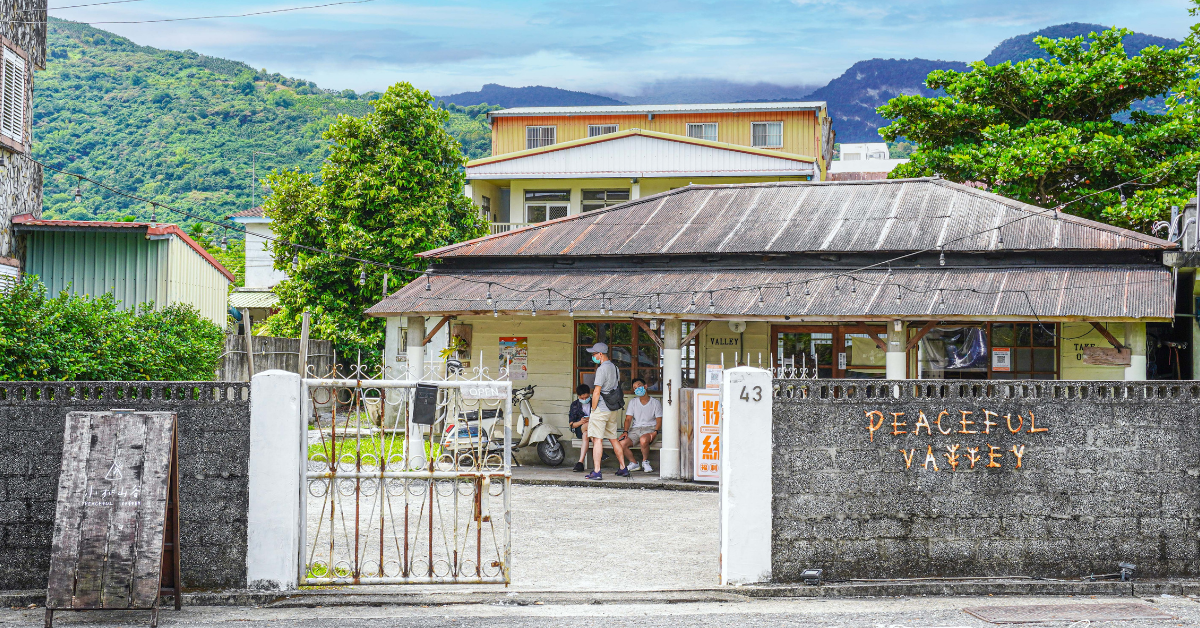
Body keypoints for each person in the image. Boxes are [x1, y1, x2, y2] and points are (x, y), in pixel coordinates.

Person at [584, 342, 629, 479]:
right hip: (612, 409)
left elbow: (597, 391)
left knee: (597, 440)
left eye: (594, 354)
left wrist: (593, 409)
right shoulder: (615, 368)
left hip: (601, 409)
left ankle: (597, 471)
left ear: (600, 354)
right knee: (613, 439)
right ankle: (623, 468)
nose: (593, 356)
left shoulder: (601, 369)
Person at [617, 378, 662, 473]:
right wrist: (625, 432)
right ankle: (634, 463)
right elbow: (628, 419)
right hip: (635, 430)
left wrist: (655, 432)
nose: (637, 389)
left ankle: (645, 462)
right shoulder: (633, 402)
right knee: (621, 443)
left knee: (643, 440)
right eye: (635, 388)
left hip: (650, 429)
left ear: (645, 386)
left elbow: (659, 420)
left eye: (639, 386)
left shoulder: (655, 402)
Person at [568, 383, 592, 472]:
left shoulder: (595, 403)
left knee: (586, 434)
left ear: (589, 394)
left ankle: (580, 462)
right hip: (580, 429)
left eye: (586, 397)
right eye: (582, 398)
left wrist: (590, 419)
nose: (585, 400)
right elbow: (571, 424)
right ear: (578, 396)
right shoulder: (575, 405)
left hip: (593, 430)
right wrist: (580, 422)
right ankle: (602, 454)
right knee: (585, 428)